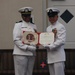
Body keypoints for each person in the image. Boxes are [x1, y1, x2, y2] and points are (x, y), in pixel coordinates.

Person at [13, 7, 37, 75]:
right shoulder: (18, 25)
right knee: (20, 73)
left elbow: (35, 39)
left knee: (29, 73)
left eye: (28, 15)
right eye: (25, 16)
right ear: (22, 16)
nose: (27, 17)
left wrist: (37, 44)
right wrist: (28, 47)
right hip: (21, 53)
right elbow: (16, 39)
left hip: (31, 54)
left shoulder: (33, 26)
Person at [42, 7, 66, 75]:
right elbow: (47, 39)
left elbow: (61, 41)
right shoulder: (48, 28)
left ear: (57, 17)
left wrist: (50, 46)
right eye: (50, 17)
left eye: (53, 16)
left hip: (58, 57)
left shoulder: (60, 27)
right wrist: (44, 44)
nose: (51, 18)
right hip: (50, 56)